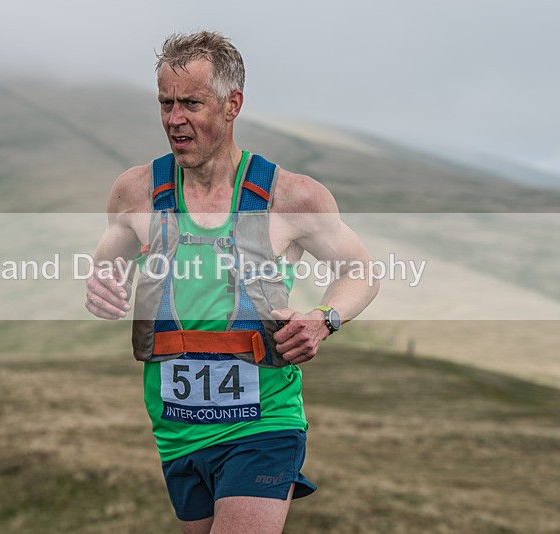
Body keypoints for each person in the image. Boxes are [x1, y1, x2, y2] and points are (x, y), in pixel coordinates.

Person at [85, 30, 378, 534]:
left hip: (264, 422)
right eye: (165, 103)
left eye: (191, 103)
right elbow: (106, 262)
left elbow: (361, 271)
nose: (174, 120)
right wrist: (101, 284)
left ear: (231, 104)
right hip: (177, 429)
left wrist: (323, 319)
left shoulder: (290, 196)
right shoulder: (135, 191)